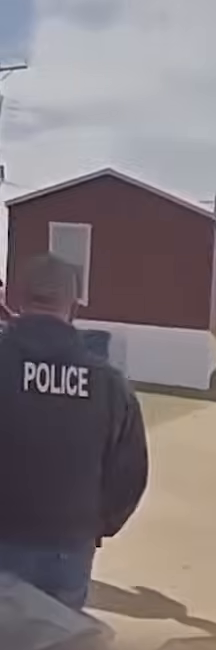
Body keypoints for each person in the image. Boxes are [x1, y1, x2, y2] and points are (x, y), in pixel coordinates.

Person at [0, 254, 149, 610]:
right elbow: (130, 474)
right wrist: (96, 525)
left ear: (19, 299)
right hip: (68, 548)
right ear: (75, 308)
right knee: (59, 643)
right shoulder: (110, 384)